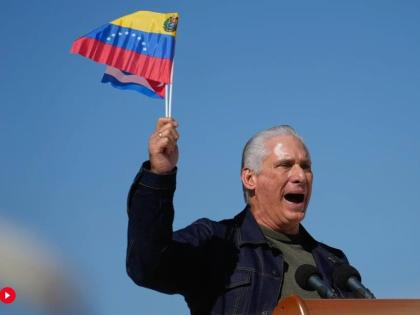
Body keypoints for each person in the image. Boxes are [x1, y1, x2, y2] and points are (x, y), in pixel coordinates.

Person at [126, 118, 352, 315]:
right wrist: (159, 174)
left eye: (306, 166)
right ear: (249, 178)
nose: (300, 176)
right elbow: (147, 266)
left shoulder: (333, 264)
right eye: (285, 165)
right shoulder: (216, 243)